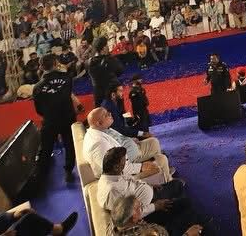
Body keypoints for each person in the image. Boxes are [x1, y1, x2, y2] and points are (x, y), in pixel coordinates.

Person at [97, 147, 203, 235]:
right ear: (116, 166)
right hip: (151, 212)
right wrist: (155, 206)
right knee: (184, 203)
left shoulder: (114, 174)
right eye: (125, 161)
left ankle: (186, 218)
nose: (126, 163)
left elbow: (132, 183)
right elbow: (128, 215)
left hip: (149, 205)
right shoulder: (111, 191)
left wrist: (149, 185)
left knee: (178, 187)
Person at [83, 107, 172, 182]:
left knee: (153, 142)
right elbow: (116, 170)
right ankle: (167, 181)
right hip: (122, 178)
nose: (110, 114)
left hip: (126, 161)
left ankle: (164, 174)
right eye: (106, 115)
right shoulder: (99, 144)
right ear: (99, 123)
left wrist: (131, 140)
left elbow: (117, 140)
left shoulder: (100, 130)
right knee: (162, 159)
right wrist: (141, 167)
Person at [32, 54, 81, 183]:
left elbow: (38, 110)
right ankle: (68, 171)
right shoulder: (67, 78)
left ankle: (40, 176)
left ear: (41, 67)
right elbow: (68, 94)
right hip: (67, 117)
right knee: (69, 144)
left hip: (50, 119)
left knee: (45, 148)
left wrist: (49, 114)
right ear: (56, 63)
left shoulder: (37, 87)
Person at [108, 193, 203, 236]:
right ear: (134, 216)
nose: (142, 208)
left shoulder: (118, 223)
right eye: (139, 207)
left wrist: (156, 206)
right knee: (194, 219)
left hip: (152, 226)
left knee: (184, 203)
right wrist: (187, 234)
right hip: (166, 232)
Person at [90, 37, 125, 108]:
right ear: (104, 48)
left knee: (101, 111)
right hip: (111, 91)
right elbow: (120, 71)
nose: (108, 47)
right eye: (107, 45)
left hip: (98, 92)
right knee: (117, 111)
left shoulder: (90, 62)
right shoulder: (110, 60)